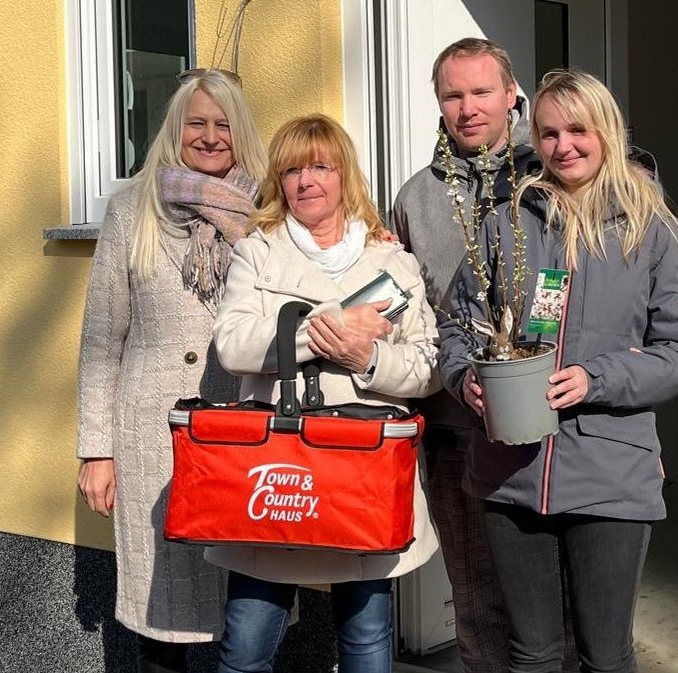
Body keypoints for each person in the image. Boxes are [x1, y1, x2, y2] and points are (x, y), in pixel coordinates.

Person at [389, 37, 678, 672]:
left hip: (607, 471)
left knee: (603, 654)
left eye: (578, 130)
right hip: (509, 469)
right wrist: (464, 377)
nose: (564, 145)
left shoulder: (649, 227)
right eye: (550, 134)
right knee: (527, 650)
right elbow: (455, 325)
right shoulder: (508, 221)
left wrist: (597, 379)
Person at [207, 114, 441, 673]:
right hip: (278, 471)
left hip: (363, 472)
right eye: (292, 171)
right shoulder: (258, 252)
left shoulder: (391, 260)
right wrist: (330, 327)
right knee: (244, 648)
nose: (306, 181)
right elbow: (233, 346)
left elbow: (429, 367)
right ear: (279, 182)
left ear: (344, 176)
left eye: (320, 167)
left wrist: (368, 358)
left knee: (366, 641)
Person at [75, 68, 268, 673]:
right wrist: (96, 451)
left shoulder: (267, 211)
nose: (210, 137)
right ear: (174, 129)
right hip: (152, 435)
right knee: (160, 608)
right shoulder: (132, 209)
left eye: (223, 125)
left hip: (243, 429)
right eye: (196, 123)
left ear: (241, 133)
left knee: (247, 607)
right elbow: (102, 338)